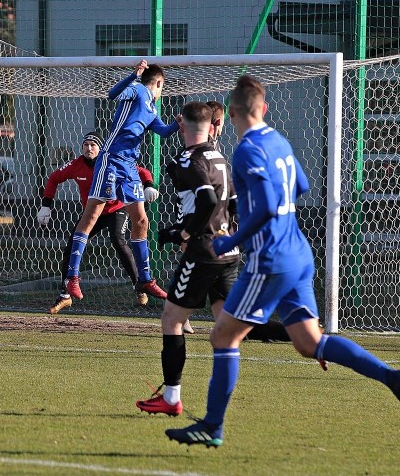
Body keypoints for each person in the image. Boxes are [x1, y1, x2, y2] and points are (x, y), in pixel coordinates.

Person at [165, 76, 400, 448]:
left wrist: (232, 240)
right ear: (265, 109)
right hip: (299, 254)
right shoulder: (279, 141)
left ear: (232, 112)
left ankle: (212, 426)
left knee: (222, 334)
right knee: (308, 341)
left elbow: (268, 205)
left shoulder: (249, 149)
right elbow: (300, 185)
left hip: (270, 260)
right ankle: (392, 377)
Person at [136, 100, 292, 417]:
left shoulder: (187, 159)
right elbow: (233, 202)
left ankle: (171, 397)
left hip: (204, 252)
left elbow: (207, 200)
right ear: (211, 126)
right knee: (230, 325)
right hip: (226, 252)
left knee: (171, 319)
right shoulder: (221, 157)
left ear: (181, 125)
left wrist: (184, 234)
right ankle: (304, 334)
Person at [63, 60, 179, 303]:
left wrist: (179, 124)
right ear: (158, 83)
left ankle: (145, 279)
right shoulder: (138, 90)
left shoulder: (152, 109)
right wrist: (133, 76)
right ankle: (72, 277)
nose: (161, 92)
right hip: (111, 159)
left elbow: (165, 131)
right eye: (162, 87)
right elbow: (112, 93)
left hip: (129, 166)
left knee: (141, 220)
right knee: (92, 215)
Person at [38, 131, 164, 313]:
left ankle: (140, 285)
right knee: (71, 246)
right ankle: (65, 295)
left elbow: (141, 171)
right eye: (86, 145)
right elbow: (53, 178)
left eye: (93, 145)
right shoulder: (76, 165)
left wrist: (149, 184)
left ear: (101, 148)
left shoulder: (111, 161)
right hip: (92, 214)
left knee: (117, 239)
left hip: (116, 209)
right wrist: (46, 205)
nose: (89, 148)